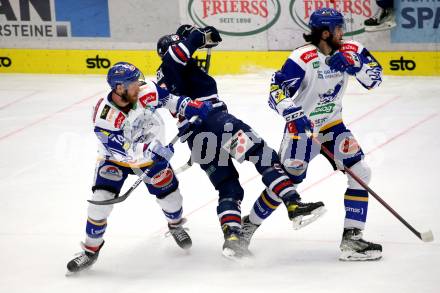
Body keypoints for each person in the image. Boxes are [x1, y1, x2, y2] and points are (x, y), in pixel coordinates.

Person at [156, 26, 325, 259]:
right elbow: (182, 50)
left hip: (197, 140)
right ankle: (293, 204)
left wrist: (202, 41)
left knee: (228, 187)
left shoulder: (166, 77)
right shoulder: (172, 61)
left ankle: (233, 239)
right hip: (218, 123)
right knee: (261, 154)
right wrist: (196, 34)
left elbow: (185, 58)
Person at [242, 8, 383, 261]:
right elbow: (276, 93)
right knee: (288, 182)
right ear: (326, 33)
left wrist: (357, 65)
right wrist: (293, 114)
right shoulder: (302, 58)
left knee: (361, 172)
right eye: (339, 29)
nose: (344, 33)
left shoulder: (352, 49)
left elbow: (375, 79)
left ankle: (352, 239)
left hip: (332, 126)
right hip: (302, 129)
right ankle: (247, 228)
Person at [66, 62, 212, 274]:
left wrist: (194, 108)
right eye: (133, 84)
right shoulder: (104, 115)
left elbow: (171, 100)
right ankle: (90, 251)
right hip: (115, 160)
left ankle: (175, 225)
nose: (139, 86)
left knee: (172, 200)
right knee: (98, 205)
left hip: (152, 160)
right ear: (119, 88)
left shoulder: (145, 91)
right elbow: (120, 149)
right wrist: (152, 149)